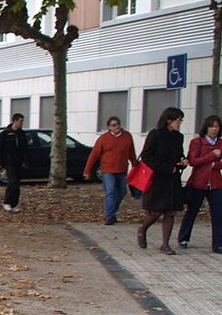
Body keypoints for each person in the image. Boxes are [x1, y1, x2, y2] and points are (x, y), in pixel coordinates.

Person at [136, 106, 188, 255]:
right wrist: (165, 168)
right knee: (156, 210)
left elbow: (179, 154)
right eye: (178, 120)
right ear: (169, 120)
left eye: (181, 120)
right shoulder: (156, 134)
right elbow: (147, 156)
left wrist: (182, 162)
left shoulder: (179, 137)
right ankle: (143, 229)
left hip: (173, 179)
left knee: (170, 212)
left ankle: (165, 244)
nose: (180, 123)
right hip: (158, 178)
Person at [176, 114, 222, 253]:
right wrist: (212, 156)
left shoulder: (220, 143)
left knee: (218, 213)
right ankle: (183, 238)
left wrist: (212, 164)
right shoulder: (197, 142)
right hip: (198, 182)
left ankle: (218, 243)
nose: (214, 129)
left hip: (216, 183)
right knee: (192, 211)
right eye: (211, 126)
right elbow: (194, 161)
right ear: (206, 127)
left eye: (217, 126)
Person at [83, 116, 138, 224]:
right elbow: (94, 155)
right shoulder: (103, 138)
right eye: (114, 125)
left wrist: (135, 164)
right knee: (111, 192)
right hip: (108, 170)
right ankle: (110, 216)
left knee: (122, 192)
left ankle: (112, 211)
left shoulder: (127, 136)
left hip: (122, 169)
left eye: (118, 124)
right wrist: (87, 170)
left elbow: (131, 151)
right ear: (109, 127)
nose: (117, 126)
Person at [0, 113, 27, 212]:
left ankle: (14, 204)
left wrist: (25, 159)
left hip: (18, 162)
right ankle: (7, 202)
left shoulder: (21, 133)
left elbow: (24, 148)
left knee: (17, 184)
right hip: (8, 162)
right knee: (13, 182)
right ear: (15, 121)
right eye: (21, 121)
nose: (22, 123)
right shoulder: (5, 134)